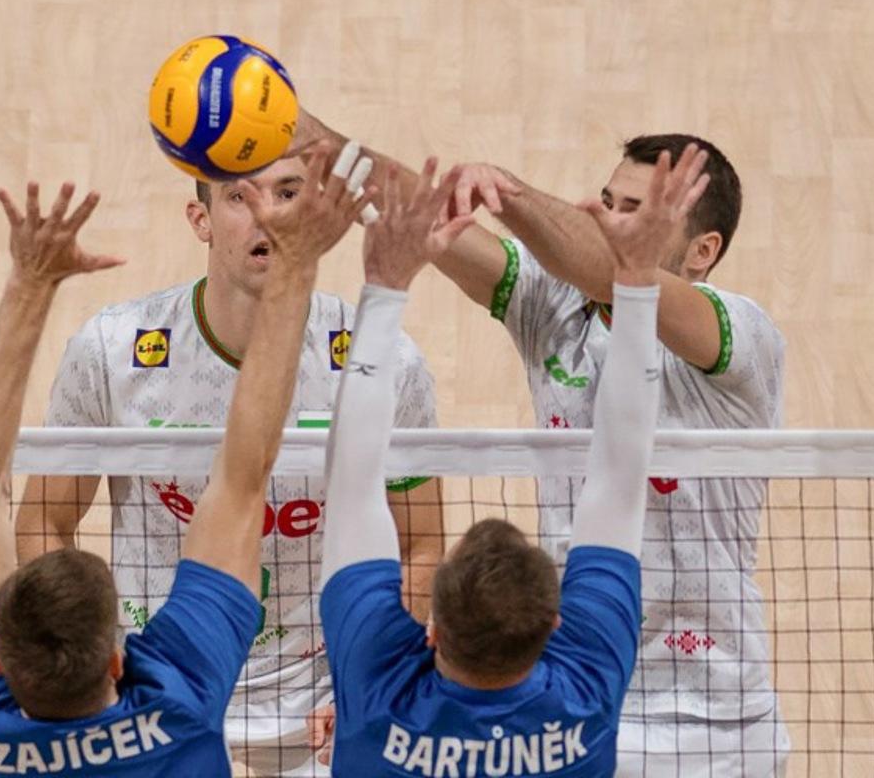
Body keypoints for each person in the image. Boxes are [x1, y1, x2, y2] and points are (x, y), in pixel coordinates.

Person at [295, 111, 788, 776]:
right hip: (567, 690)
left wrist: (514, 196)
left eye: (637, 214)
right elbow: (419, 217)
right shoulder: (549, 306)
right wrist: (306, 138)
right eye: (606, 204)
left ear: (703, 251)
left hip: (714, 724)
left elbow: (614, 269)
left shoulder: (740, 336)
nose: (611, 224)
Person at [0, 152, 371, 775]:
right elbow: (244, 478)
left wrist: (29, 286)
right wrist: (297, 265)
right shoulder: (179, 706)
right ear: (117, 662)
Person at [14, 148, 444, 774]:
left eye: (289, 192)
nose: (266, 214)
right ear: (201, 219)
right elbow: (43, 522)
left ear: (321, 210)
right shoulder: (114, 350)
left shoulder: (383, 362)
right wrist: (92, 668)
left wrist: (371, 685)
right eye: (240, 197)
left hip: (321, 706)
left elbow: (422, 544)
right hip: (155, 691)